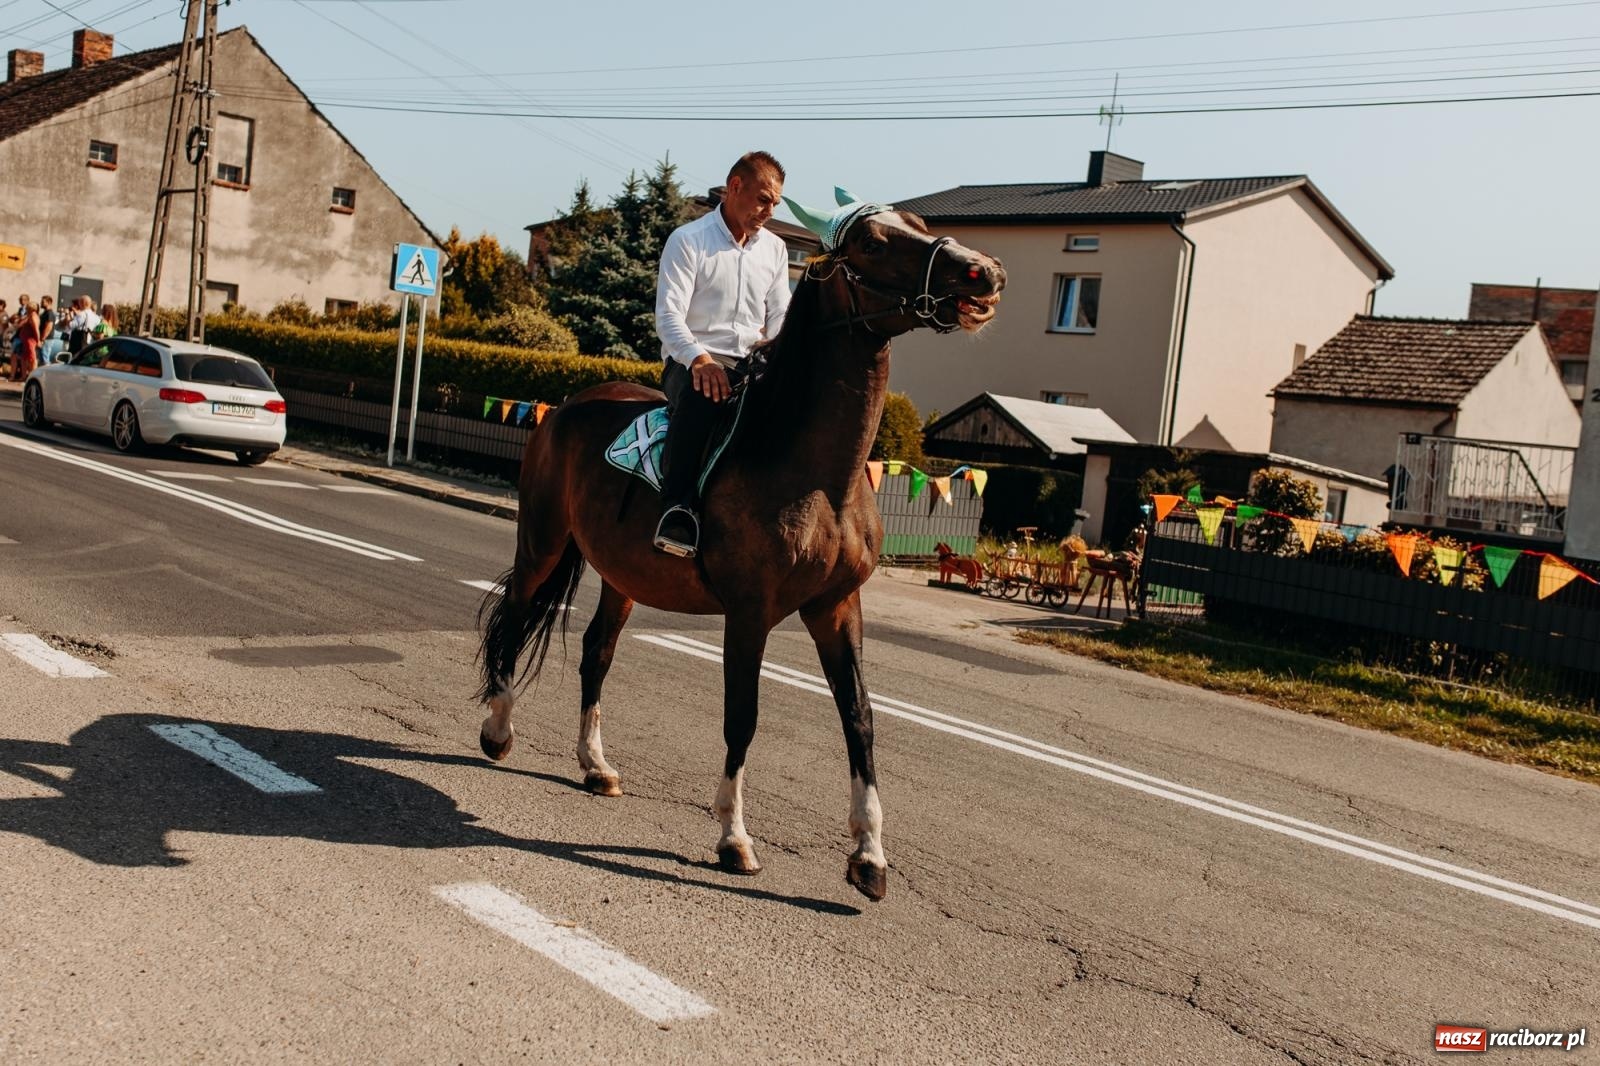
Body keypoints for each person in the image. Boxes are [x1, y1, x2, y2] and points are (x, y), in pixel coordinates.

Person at [651, 150, 791, 558]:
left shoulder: (776, 250)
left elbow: (780, 312)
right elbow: (668, 316)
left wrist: (782, 358)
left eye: (775, 204)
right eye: (763, 199)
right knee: (705, 394)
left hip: (752, 363)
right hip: (691, 361)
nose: (768, 210)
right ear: (735, 187)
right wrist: (700, 359)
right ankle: (676, 510)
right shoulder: (688, 240)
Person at [10, 294, 39, 381]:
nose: (20, 301)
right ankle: (22, 376)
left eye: (22, 300)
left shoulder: (32, 315)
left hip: (29, 339)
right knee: (22, 357)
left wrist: (38, 340)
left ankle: (32, 377)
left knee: (32, 358)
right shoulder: (22, 311)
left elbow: (36, 329)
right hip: (22, 338)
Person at [36, 295, 59, 366]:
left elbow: (49, 327)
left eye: (43, 302)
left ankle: (46, 374)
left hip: (47, 339)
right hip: (44, 339)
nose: (41, 303)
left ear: (49, 302)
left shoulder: (49, 313)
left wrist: (42, 339)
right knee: (41, 358)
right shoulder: (45, 313)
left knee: (45, 358)